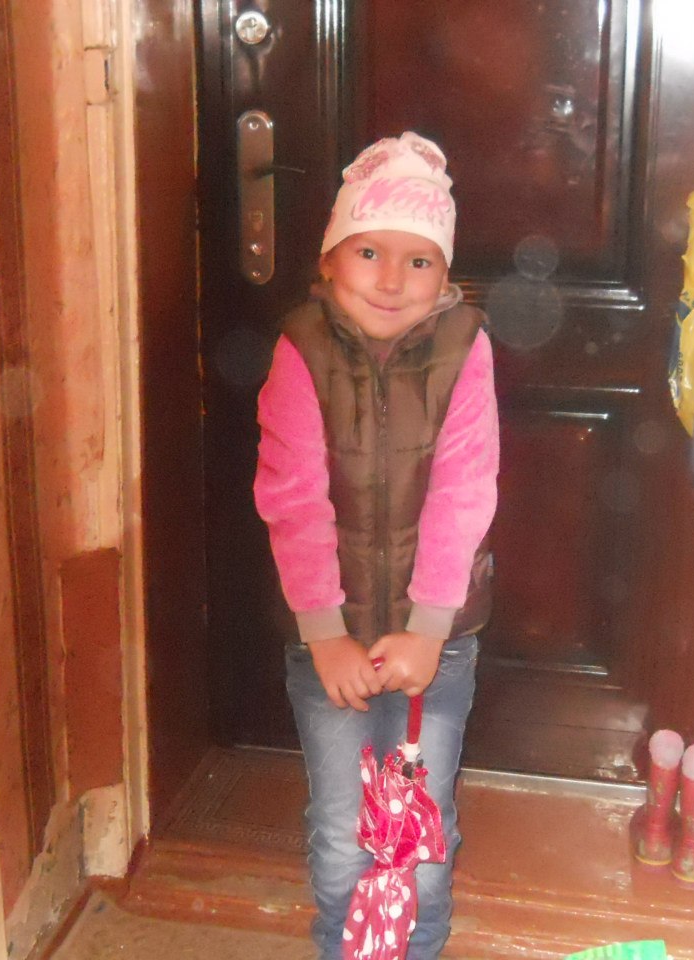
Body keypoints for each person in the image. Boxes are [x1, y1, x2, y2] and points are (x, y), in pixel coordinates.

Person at [253, 131, 500, 960]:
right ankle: (344, 948)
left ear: (446, 273)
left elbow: (464, 493)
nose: (392, 280)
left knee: (418, 833)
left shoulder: (466, 347)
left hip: (440, 643)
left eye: (418, 260)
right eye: (368, 252)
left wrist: (429, 629)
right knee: (340, 833)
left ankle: (415, 949)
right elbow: (293, 498)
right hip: (330, 645)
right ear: (329, 261)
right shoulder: (300, 348)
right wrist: (325, 634)